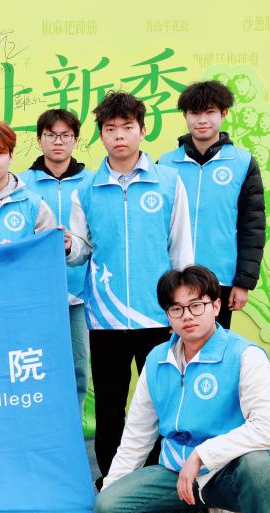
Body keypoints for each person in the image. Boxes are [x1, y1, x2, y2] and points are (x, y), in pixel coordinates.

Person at [93, 265, 270, 513]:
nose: (187, 316)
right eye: (176, 308)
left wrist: (202, 455)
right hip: (178, 474)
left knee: (259, 463)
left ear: (216, 305)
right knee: (107, 506)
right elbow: (137, 434)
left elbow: (268, 427)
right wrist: (113, 489)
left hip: (231, 471)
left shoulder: (244, 356)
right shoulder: (157, 360)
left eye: (197, 305)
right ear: (167, 315)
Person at [65, 91, 193, 484]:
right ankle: (112, 478)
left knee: (160, 399)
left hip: (157, 314)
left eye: (127, 127)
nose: (119, 136)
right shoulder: (87, 189)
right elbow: (80, 250)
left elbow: (181, 249)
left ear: (142, 130)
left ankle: (159, 475)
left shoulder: (168, 182)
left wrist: (181, 307)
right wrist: (69, 246)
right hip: (105, 316)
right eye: (110, 129)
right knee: (109, 402)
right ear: (101, 135)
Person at [158, 80, 266, 329]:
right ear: (185, 116)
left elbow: (252, 226)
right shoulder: (165, 165)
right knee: (172, 346)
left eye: (210, 112)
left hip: (220, 279)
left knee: (213, 346)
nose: (202, 120)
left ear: (223, 113)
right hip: (174, 277)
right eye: (195, 113)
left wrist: (243, 282)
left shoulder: (243, 163)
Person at [20, 109, 93, 422]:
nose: (58, 142)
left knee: (78, 370)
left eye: (65, 135)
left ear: (76, 140)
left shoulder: (92, 182)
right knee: (32, 367)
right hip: (33, 296)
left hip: (79, 294)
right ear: (39, 140)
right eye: (50, 135)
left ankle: (71, 433)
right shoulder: (20, 183)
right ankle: (36, 429)